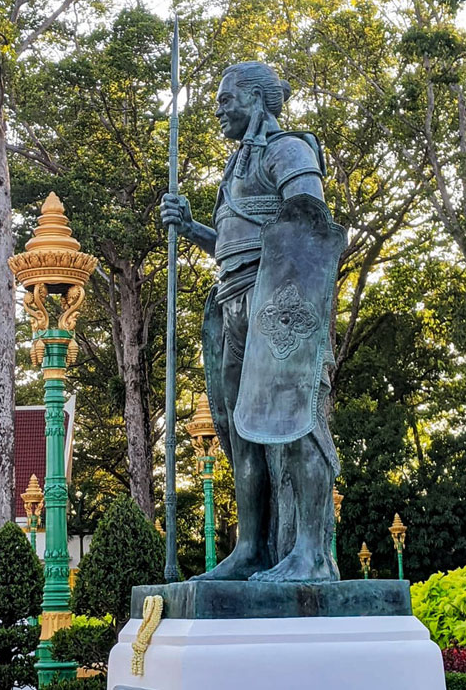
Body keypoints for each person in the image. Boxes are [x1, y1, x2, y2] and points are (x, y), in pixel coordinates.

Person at [161, 61, 346, 583]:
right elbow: (229, 246)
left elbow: (309, 221)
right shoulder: (234, 165)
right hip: (231, 302)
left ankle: (310, 553)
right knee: (241, 434)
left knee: (295, 425)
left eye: (227, 97)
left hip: (279, 304)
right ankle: (251, 550)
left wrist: (285, 305)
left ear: (258, 99)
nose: (218, 107)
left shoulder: (288, 149)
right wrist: (190, 224)